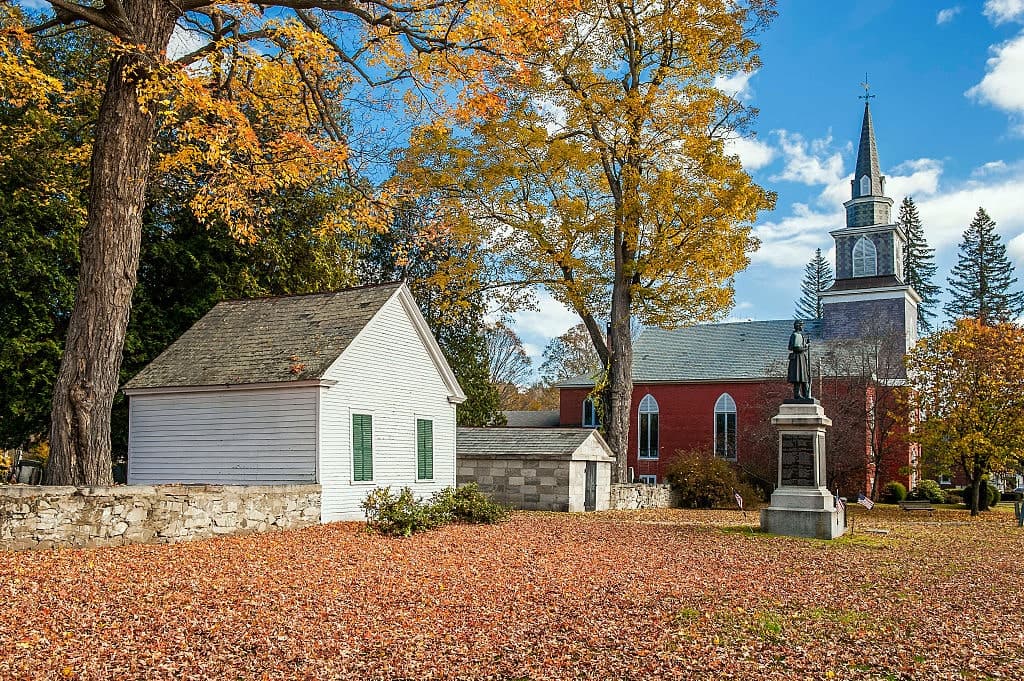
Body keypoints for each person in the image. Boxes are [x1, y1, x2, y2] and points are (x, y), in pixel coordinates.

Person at [787, 320, 812, 400]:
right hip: (798, 358)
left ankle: (806, 395)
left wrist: (806, 344)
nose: (802, 327)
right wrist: (806, 347)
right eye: (801, 325)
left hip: (800, 358)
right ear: (798, 326)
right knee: (799, 377)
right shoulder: (796, 335)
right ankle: (798, 395)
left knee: (803, 377)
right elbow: (797, 347)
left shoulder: (799, 335)